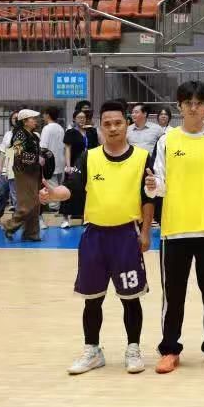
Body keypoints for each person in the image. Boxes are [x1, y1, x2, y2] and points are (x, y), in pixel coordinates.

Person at [46, 101, 154, 376]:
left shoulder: (142, 158)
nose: (113, 128)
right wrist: (55, 194)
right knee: (92, 298)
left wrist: (145, 232)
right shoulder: (89, 156)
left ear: (126, 124)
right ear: (100, 127)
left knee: (131, 298)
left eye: (117, 123)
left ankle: (133, 349)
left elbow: (148, 198)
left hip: (127, 236)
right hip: (94, 236)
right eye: (107, 124)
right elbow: (72, 188)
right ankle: (92, 350)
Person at [144, 81, 204, 374]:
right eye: (188, 103)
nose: (193, 108)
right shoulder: (166, 141)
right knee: (173, 295)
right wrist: (153, 185)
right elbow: (160, 184)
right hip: (174, 230)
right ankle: (169, 349)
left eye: (199, 103)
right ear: (179, 106)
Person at [2, 109, 45, 243]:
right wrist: (36, 158)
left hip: (34, 171)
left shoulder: (34, 136)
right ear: (25, 121)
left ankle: (31, 233)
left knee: (36, 204)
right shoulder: (19, 134)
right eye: (33, 118)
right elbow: (18, 154)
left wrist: (44, 153)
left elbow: (36, 151)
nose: (35, 121)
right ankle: (9, 225)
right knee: (28, 203)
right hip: (23, 172)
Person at [60, 109, 98, 229]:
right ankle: (65, 218)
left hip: (89, 165)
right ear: (74, 119)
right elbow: (68, 149)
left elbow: (97, 147)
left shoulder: (91, 131)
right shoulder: (70, 132)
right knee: (69, 189)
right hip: (74, 165)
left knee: (86, 191)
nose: (82, 120)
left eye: (84, 118)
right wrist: (68, 165)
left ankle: (85, 217)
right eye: (79, 117)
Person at [39, 106, 66, 213]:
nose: (43, 116)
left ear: (48, 115)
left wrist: (41, 161)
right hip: (60, 160)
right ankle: (58, 205)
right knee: (58, 184)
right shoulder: (61, 128)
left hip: (50, 161)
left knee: (51, 184)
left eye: (44, 114)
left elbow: (43, 147)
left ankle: (54, 207)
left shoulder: (47, 128)